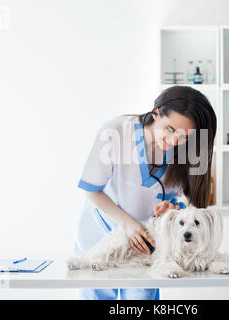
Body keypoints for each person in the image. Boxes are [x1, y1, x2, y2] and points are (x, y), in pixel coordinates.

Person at [74, 85, 217, 300]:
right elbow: (92, 191)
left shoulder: (192, 148)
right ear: (156, 113)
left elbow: (191, 205)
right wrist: (128, 224)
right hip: (102, 233)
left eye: (185, 136)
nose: (174, 141)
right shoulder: (115, 132)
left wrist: (175, 209)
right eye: (170, 129)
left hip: (149, 244)